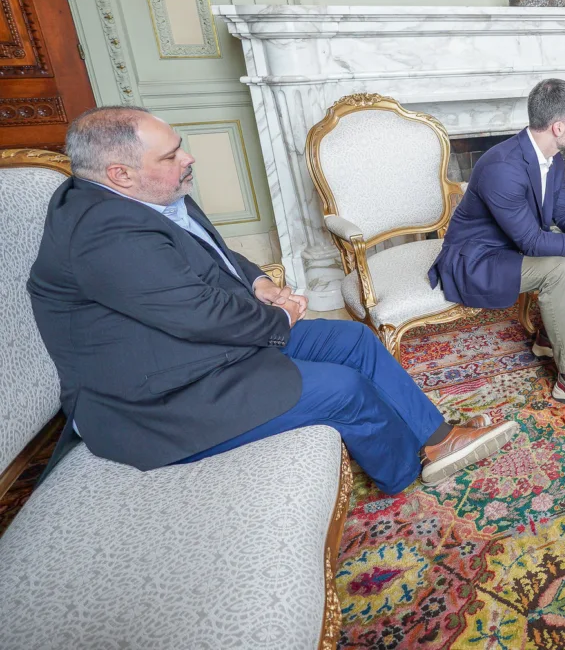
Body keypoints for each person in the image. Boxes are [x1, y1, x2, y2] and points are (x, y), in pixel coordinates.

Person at [26, 107, 515, 496]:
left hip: (202, 354)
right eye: (171, 155)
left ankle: (438, 440)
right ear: (120, 173)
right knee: (343, 388)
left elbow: (211, 253)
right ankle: (404, 472)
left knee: (353, 339)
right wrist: (278, 313)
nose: (187, 158)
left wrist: (258, 282)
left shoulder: (148, 193)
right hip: (163, 399)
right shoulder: (103, 235)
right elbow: (201, 314)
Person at [430, 79, 565, 418]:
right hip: (477, 260)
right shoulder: (502, 167)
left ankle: (550, 338)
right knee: (556, 267)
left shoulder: (553, 157)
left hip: (510, 249)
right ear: (558, 126)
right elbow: (532, 242)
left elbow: (564, 214)